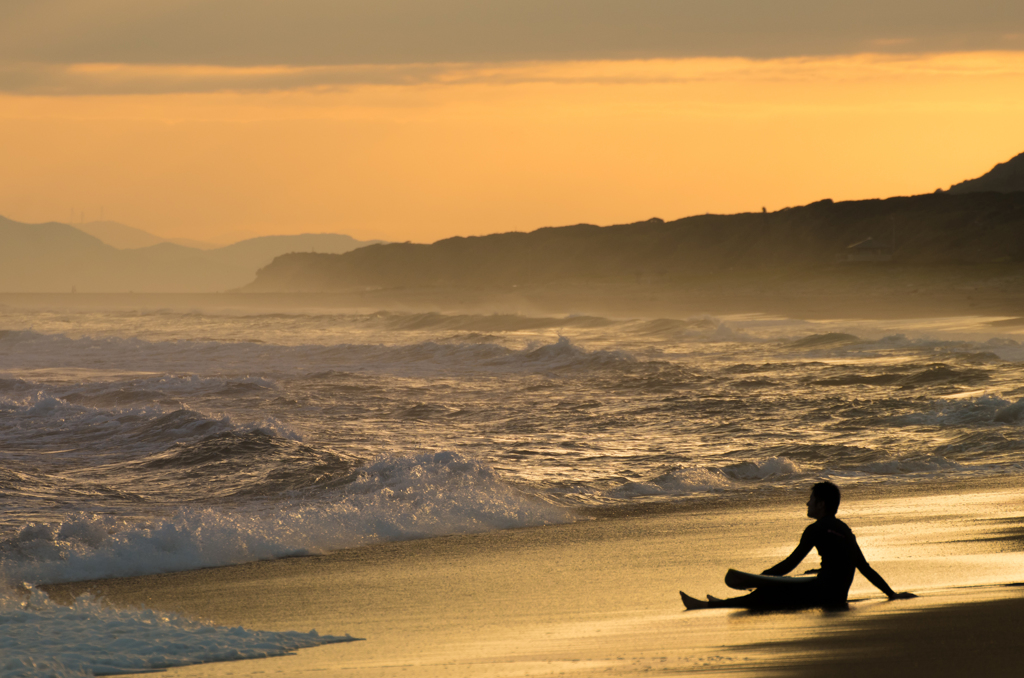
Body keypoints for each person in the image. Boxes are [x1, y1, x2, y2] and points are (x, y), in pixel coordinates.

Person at [680, 481, 915, 610]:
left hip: (821, 596)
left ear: (821, 504)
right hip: (837, 597)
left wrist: (763, 577)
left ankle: (713, 606)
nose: (807, 503)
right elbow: (864, 567)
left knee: (771, 590)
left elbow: (791, 563)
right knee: (779, 588)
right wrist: (890, 594)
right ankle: (722, 603)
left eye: (811, 500)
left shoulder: (815, 529)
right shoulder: (845, 529)